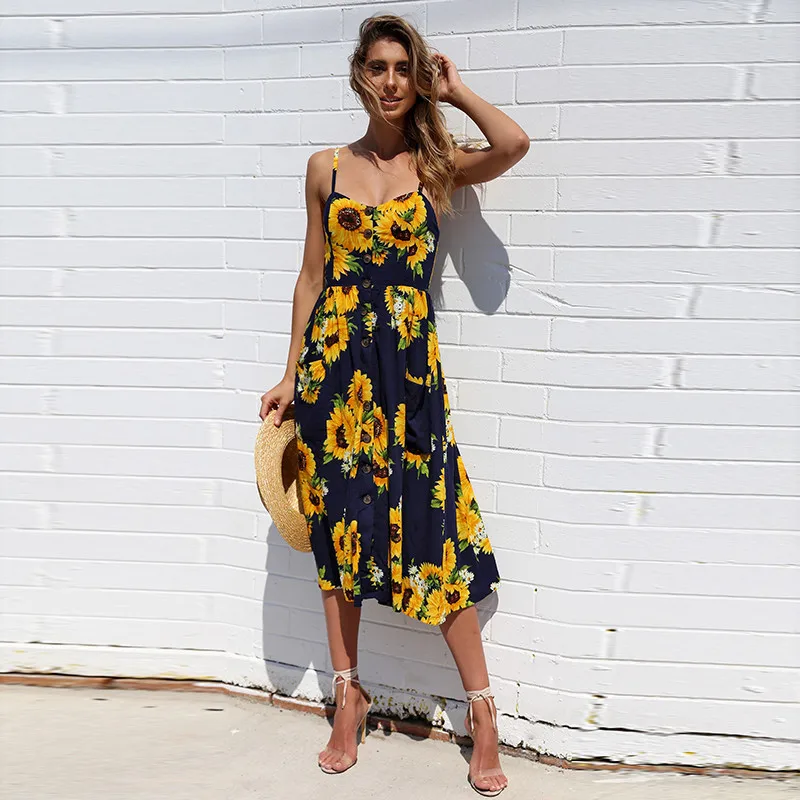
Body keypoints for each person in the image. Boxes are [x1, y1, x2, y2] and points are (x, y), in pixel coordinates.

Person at [260, 13, 528, 797]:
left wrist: (457, 91)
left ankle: (482, 710)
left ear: (418, 79)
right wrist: (290, 373)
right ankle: (348, 695)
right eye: (378, 67)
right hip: (334, 374)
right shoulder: (325, 167)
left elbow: (512, 145)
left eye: (403, 69)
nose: (389, 81)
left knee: (433, 529)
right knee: (338, 532)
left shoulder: (437, 167)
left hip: (407, 376)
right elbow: (312, 277)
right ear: (359, 74)